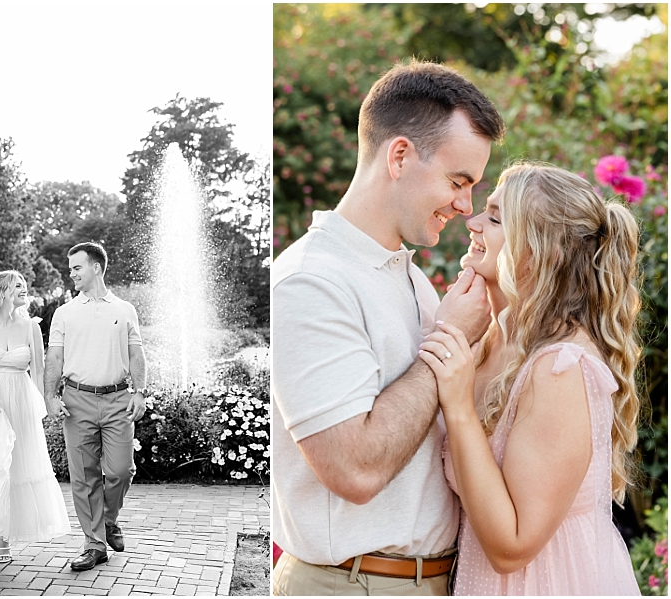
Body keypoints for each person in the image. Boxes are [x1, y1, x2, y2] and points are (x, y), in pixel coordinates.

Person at [272, 59, 506, 596]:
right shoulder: (310, 283)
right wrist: (446, 344)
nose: (465, 206)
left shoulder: (413, 280)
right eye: (457, 180)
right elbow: (354, 470)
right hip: (354, 586)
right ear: (399, 155)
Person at [419, 162, 641, 595]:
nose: (474, 220)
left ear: (544, 251)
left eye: (497, 218)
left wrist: (460, 408)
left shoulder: (560, 368)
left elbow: (512, 547)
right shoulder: (484, 341)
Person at [44, 241, 147, 571]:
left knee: (120, 470)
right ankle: (94, 544)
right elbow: (55, 358)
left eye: (77, 267)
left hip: (118, 399)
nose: (71, 273)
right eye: (71, 268)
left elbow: (135, 355)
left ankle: (108, 521)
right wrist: (50, 396)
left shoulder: (124, 309)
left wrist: (140, 392)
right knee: (84, 477)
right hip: (76, 401)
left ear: (96, 268)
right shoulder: (64, 313)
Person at [0, 270, 71, 569]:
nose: (25, 289)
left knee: (14, 468)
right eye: (18, 285)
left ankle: (4, 540)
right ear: (1, 291)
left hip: (20, 402)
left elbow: (37, 371)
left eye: (26, 285)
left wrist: (47, 404)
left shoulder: (30, 327)